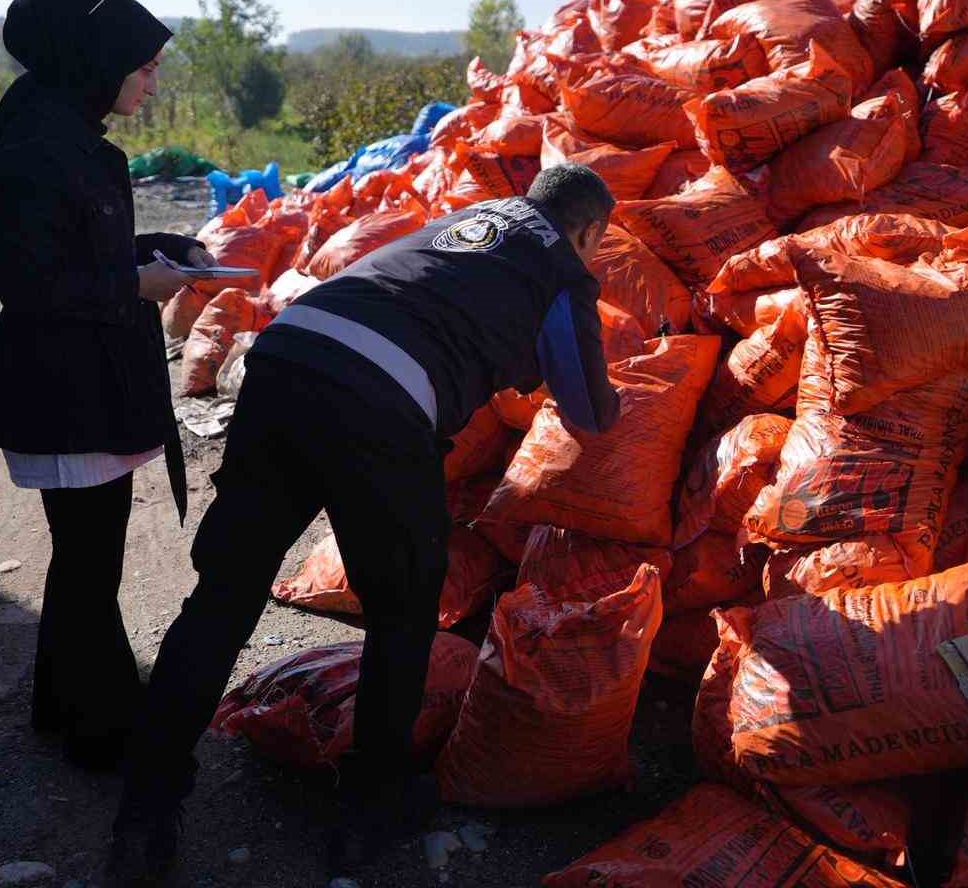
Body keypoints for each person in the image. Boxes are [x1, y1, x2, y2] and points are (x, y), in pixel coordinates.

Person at [110, 162, 622, 883]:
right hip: (379, 399)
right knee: (403, 610)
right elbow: (590, 411)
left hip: (287, 356)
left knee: (223, 598)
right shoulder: (562, 272)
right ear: (589, 231)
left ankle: (144, 812)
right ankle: (370, 807)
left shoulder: (463, 222)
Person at [0, 0, 215, 772]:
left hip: (81, 379)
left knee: (84, 555)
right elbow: (30, 282)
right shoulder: (42, 150)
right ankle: (102, 734)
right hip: (65, 385)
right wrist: (135, 284)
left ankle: (62, 705)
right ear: (95, 60)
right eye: (144, 67)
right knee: (88, 562)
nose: (152, 83)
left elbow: (75, 247)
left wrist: (161, 250)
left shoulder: (61, 131)